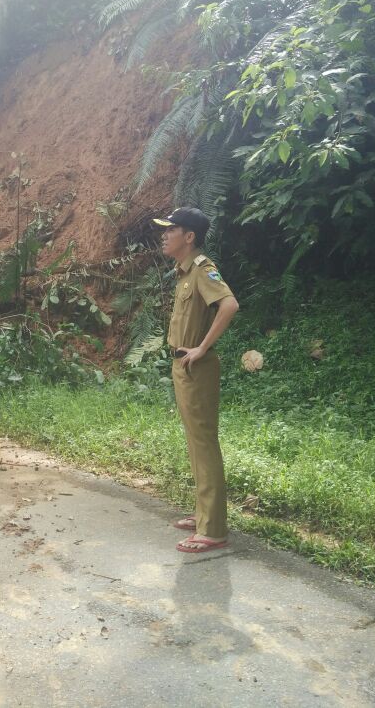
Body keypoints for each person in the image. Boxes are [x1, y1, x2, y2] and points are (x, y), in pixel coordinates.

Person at [153, 207, 239, 554]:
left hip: (196, 368)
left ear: (189, 237)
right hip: (183, 367)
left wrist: (203, 348)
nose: (164, 235)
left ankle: (213, 529)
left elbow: (229, 305)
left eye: (171, 229)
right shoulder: (184, 272)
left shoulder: (204, 269)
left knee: (204, 444)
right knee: (195, 441)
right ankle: (204, 514)